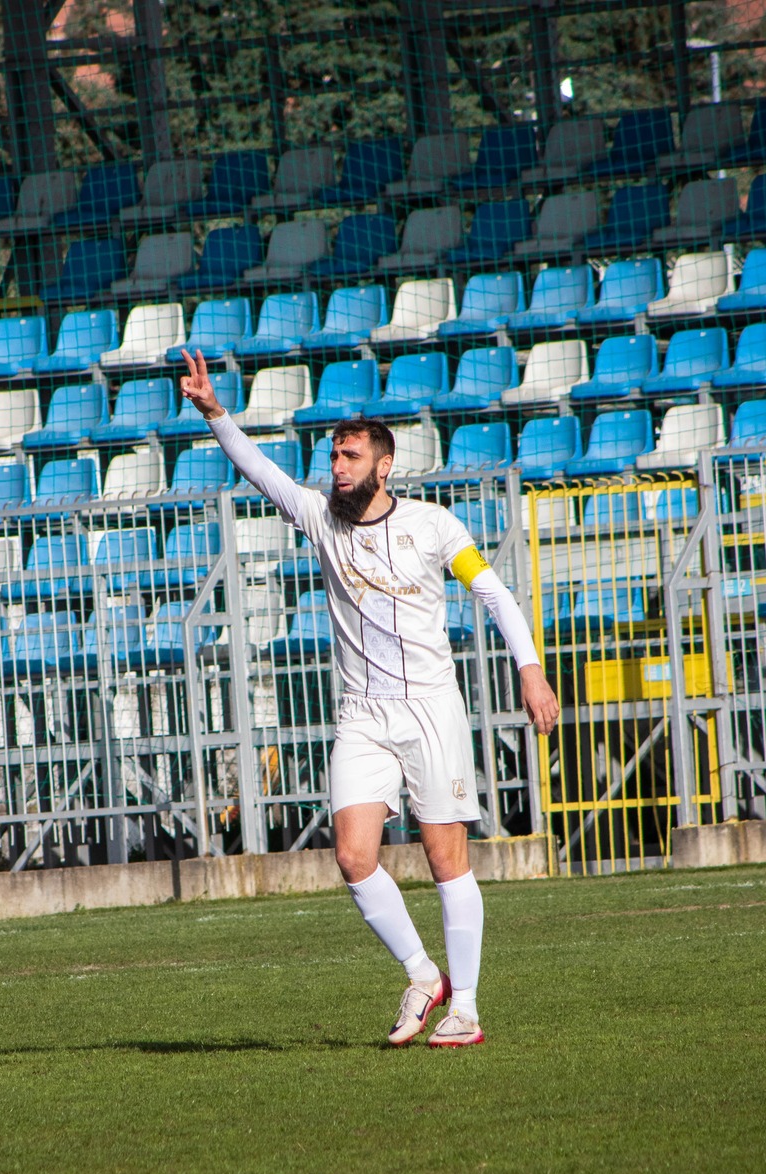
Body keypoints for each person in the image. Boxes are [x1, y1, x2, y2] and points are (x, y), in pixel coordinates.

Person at [179, 350, 560, 1047]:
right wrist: (215, 413)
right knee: (353, 855)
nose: (338, 467)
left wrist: (530, 670)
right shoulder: (320, 518)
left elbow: (493, 591)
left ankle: (466, 1008)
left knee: (447, 858)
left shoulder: (433, 525)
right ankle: (422, 974)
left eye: (350, 456)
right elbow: (258, 471)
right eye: (333, 456)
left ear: (384, 466)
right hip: (363, 714)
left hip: (431, 710)